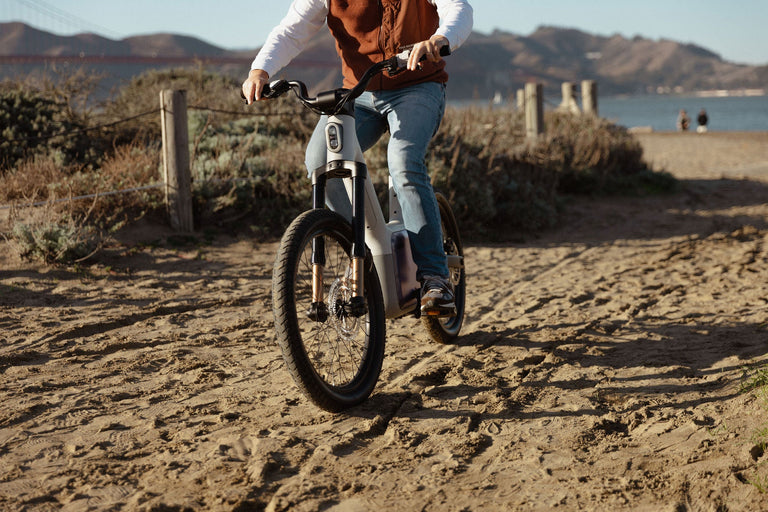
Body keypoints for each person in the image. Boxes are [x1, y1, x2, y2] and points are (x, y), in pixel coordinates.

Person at [242, 0, 474, 317]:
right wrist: (260, 69)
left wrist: (440, 38)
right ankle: (362, 257)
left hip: (418, 87)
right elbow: (292, 29)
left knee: (403, 161)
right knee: (320, 161)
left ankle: (434, 278)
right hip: (358, 93)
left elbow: (458, 8)